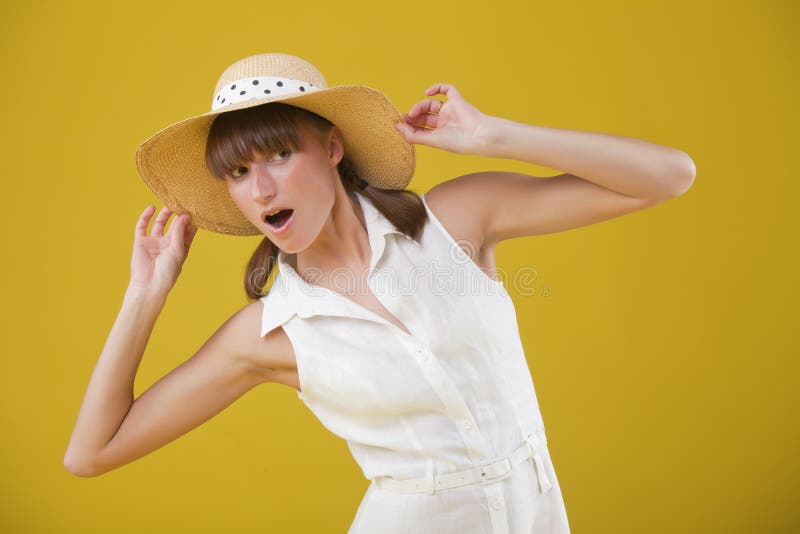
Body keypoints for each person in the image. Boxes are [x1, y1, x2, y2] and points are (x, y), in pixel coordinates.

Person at [64, 53, 695, 533]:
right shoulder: (269, 335)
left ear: (332, 148)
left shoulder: (455, 223)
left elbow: (668, 177)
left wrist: (493, 137)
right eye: (238, 171)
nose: (260, 190)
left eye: (280, 154)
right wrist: (145, 296)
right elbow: (92, 453)